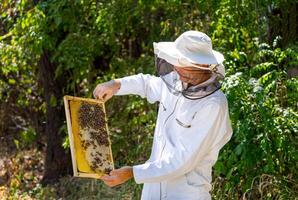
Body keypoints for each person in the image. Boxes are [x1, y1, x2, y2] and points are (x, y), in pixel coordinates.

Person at [93, 30, 233, 200]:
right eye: (176, 60)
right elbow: (147, 84)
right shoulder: (178, 80)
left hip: (185, 193)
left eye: (182, 62)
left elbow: (183, 160)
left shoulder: (213, 105)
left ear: (203, 66)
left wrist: (132, 172)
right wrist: (117, 84)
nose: (176, 67)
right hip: (153, 190)